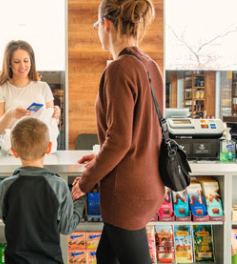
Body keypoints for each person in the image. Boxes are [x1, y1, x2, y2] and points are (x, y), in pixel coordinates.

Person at [71, 0, 165, 263]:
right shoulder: (150, 65)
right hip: (150, 183)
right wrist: (101, 158)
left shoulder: (118, 68)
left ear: (106, 24)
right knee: (106, 257)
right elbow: (143, 132)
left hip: (126, 192)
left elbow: (120, 141)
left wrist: (86, 181)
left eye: (96, 25)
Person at [0, 117, 85, 264]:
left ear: (14, 151)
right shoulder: (58, 185)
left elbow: (3, 215)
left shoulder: (6, 186)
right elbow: (66, 227)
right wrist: (79, 199)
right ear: (49, 148)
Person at [0, 40, 60, 136]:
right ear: (9, 63)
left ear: (31, 62)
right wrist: (10, 114)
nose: (22, 66)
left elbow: (52, 123)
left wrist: (56, 116)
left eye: (26, 61)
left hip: (40, 147)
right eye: (17, 62)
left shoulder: (43, 87)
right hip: (11, 147)